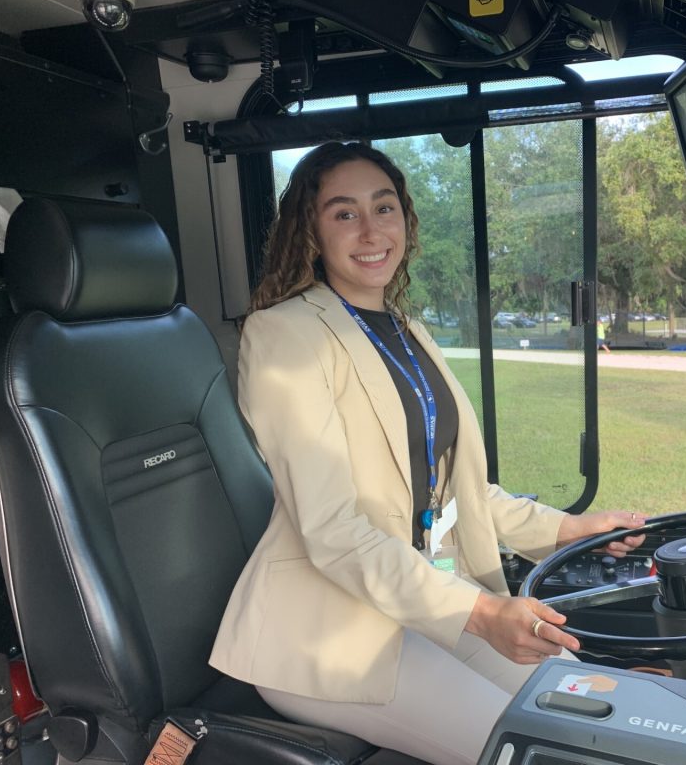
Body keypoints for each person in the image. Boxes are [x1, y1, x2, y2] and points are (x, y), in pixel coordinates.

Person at [209, 141, 646, 765]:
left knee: (609, 717)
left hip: (416, 606)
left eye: (383, 207)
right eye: (343, 213)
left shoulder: (406, 331)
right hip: (327, 636)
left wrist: (572, 529)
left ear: (405, 222)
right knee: (550, 750)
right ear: (311, 230)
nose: (370, 230)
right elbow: (334, 532)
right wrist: (483, 611)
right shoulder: (285, 334)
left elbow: (460, 498)